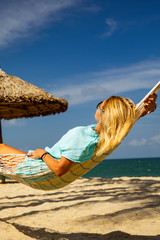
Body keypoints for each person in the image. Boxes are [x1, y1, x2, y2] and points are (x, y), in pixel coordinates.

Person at [0, 94, 157, 177]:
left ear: (103, 114)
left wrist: (42, 154)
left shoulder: (81, 136)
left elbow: (59, 169)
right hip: (34, 162)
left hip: (33, 167)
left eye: (99, 106)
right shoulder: (111, 135)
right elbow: (126, 120)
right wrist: (149, 108)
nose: (97, 107)